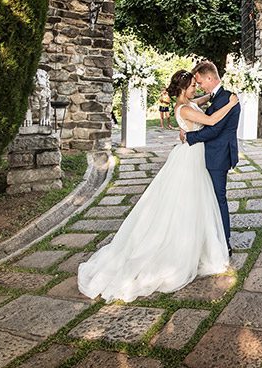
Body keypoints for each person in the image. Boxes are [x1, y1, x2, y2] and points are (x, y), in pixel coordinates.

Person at [77, 70, 238, 302]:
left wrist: (210, 97)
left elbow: (201, 101)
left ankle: (199, 241)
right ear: (184, 89)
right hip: (191, 158)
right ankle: (181, 248)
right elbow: (212, 121)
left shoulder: (188, 103)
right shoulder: (184, 108)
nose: (197, 88)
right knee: (187, 202)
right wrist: (231, 103)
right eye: (194, 85)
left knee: (196, 203)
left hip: (191, 155)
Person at [180, 60, 240, 253]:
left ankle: (224, 243)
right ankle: (210, 238)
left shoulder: (225, 98)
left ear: (209, 78)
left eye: (200, 82)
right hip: (211, 154)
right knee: (207, 199)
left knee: (217, 199)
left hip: (218, 156)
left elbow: (214, 129)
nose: (198, 86)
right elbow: (198, 105)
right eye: (194, 84)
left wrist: (189, 136)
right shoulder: (218, 96)